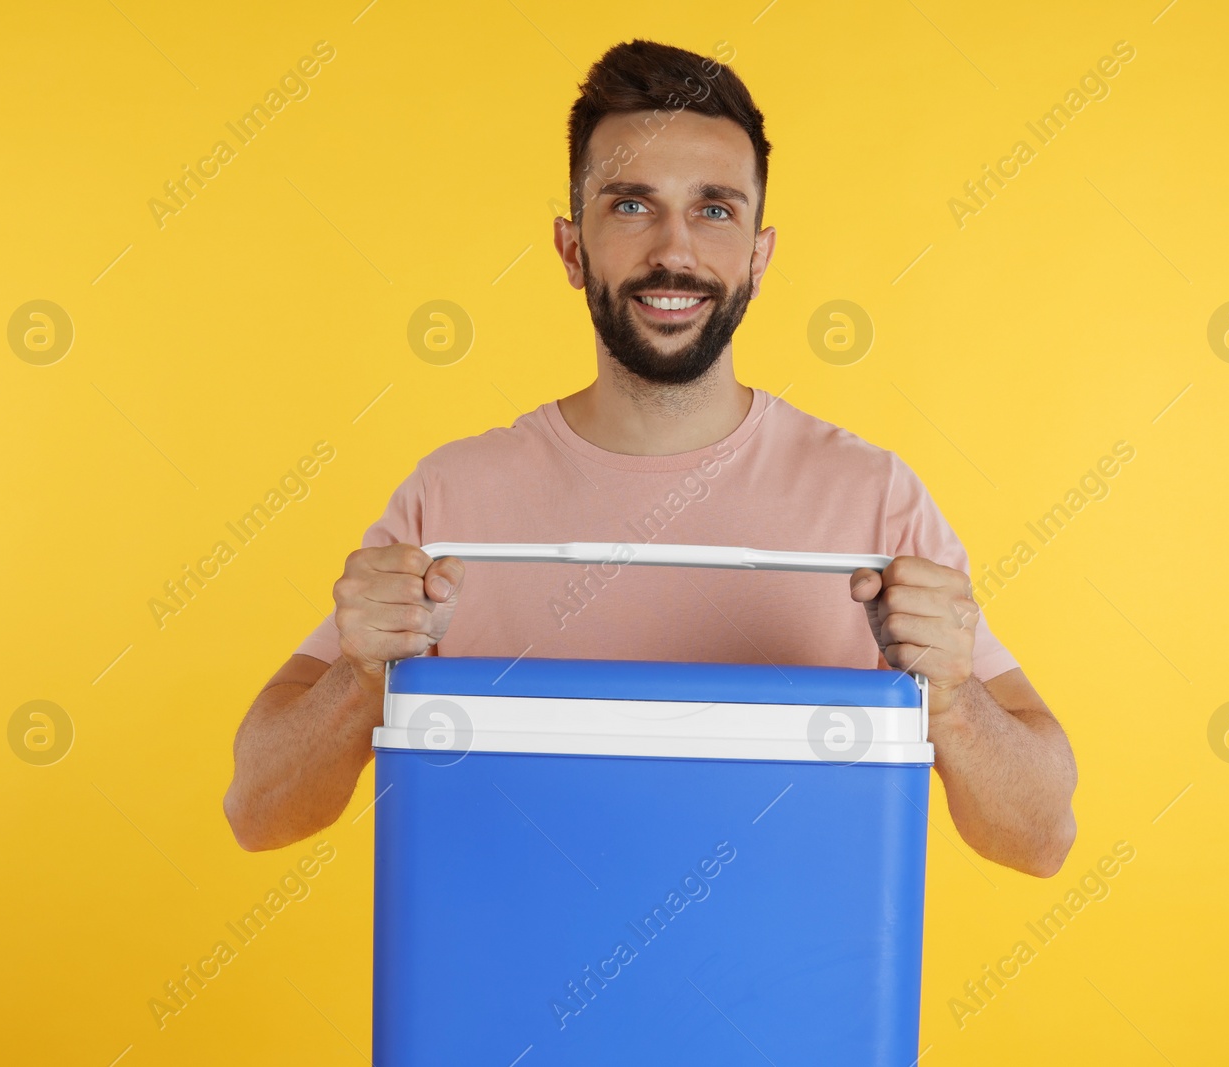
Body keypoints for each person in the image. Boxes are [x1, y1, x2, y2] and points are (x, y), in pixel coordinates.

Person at [224, 39, 1077, 876]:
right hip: (496, 1007)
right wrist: (360, 681)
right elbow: (258, 809)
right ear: (571, 248)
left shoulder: (872, 499)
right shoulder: (452, 499)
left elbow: (1041, 836)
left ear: (758, 254)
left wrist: (954, 701)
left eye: (715, 209)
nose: (676, 250)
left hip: (795, 1007)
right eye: (632, 205)